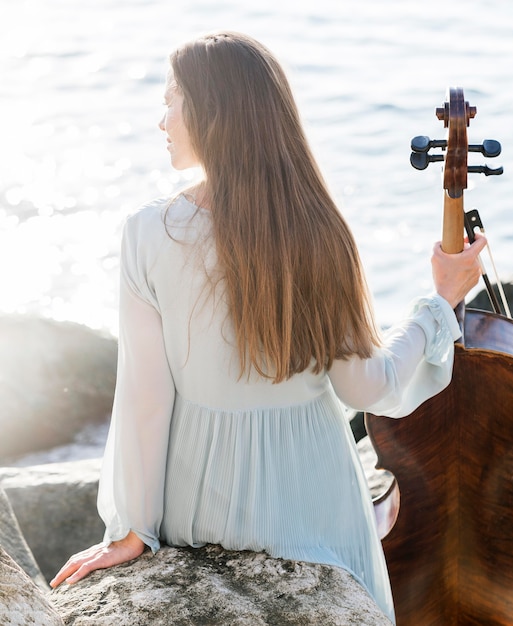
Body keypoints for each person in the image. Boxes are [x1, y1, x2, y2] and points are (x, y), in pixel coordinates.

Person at [50, 31, 486, 624]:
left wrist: (131, 531)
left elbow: (147, 401)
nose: (162, 120)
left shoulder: (147, 233)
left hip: (197, 498)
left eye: (171, 100)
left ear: (211, 112)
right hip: (311, 500)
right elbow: (367, 387)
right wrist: (438, 306)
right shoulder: (319, 230)